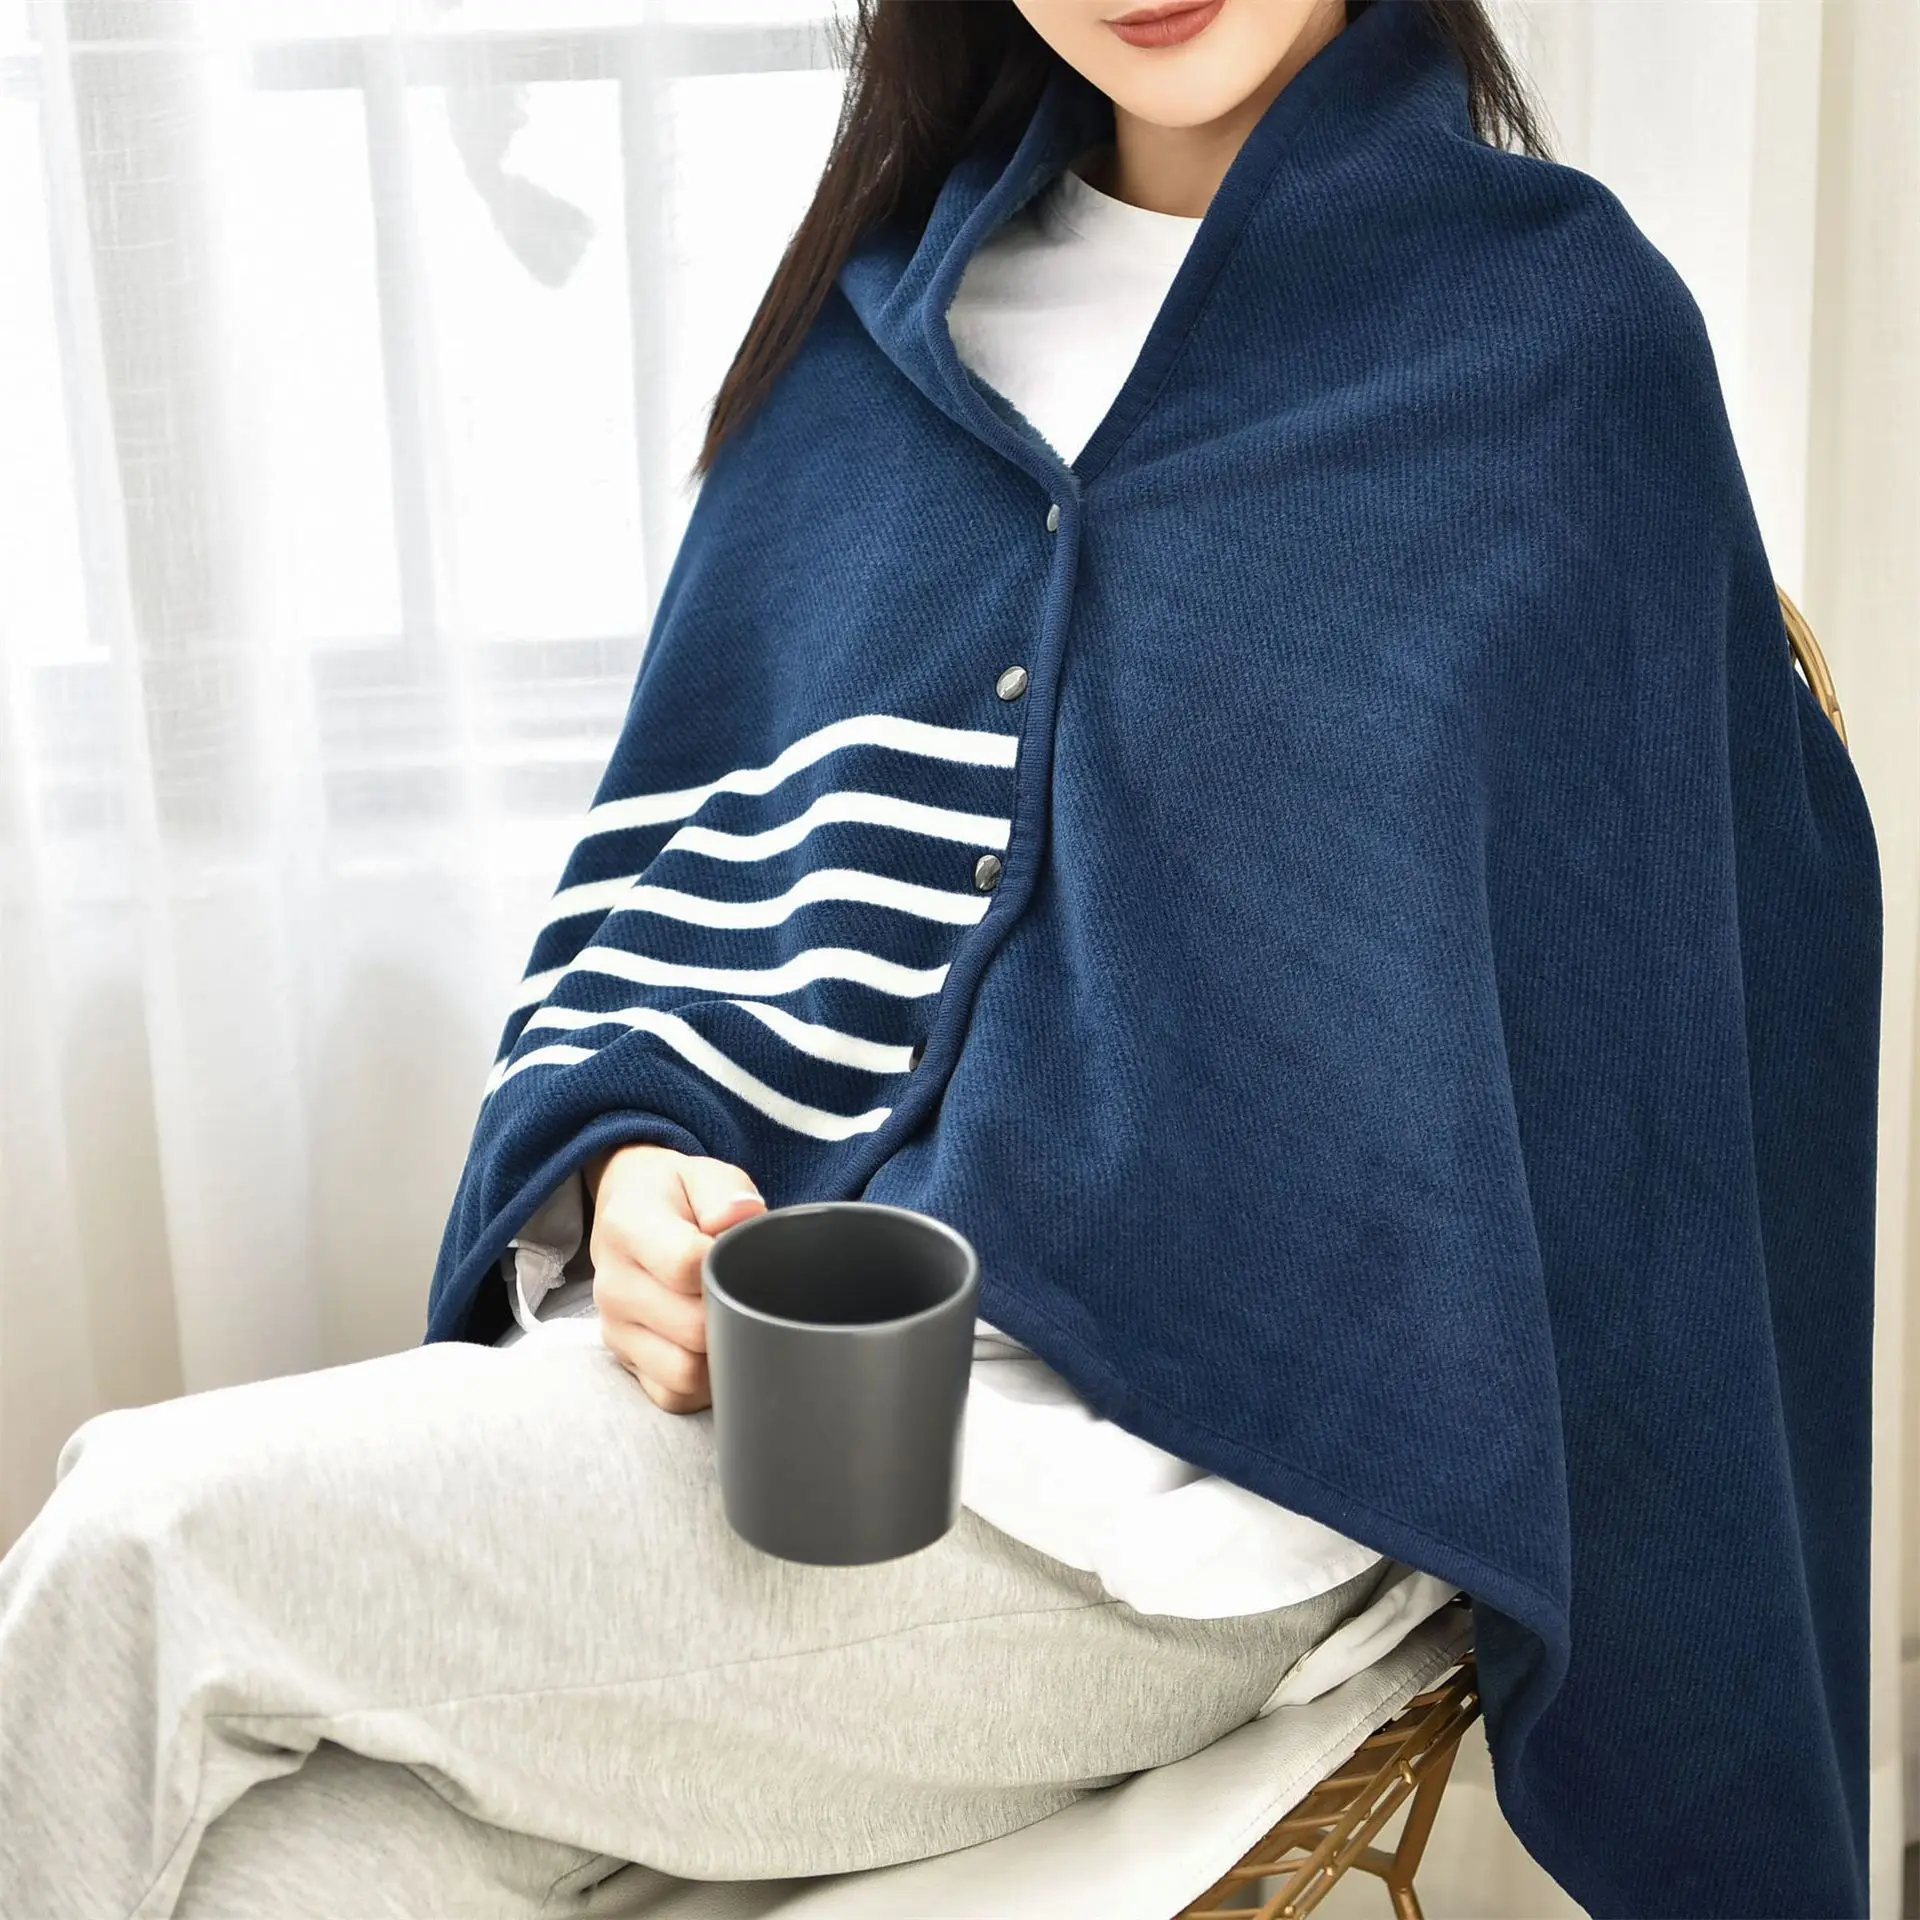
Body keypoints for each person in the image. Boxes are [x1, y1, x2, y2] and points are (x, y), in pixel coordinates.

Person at [0, 0, 1881, 1915]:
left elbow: (1683, 1009)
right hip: (748, 1438)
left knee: (145, 1546)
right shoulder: (874, 335)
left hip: (1173, 1507)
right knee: (268, 1872)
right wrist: (629, 1178)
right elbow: (688, 890)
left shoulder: (1550, 345)